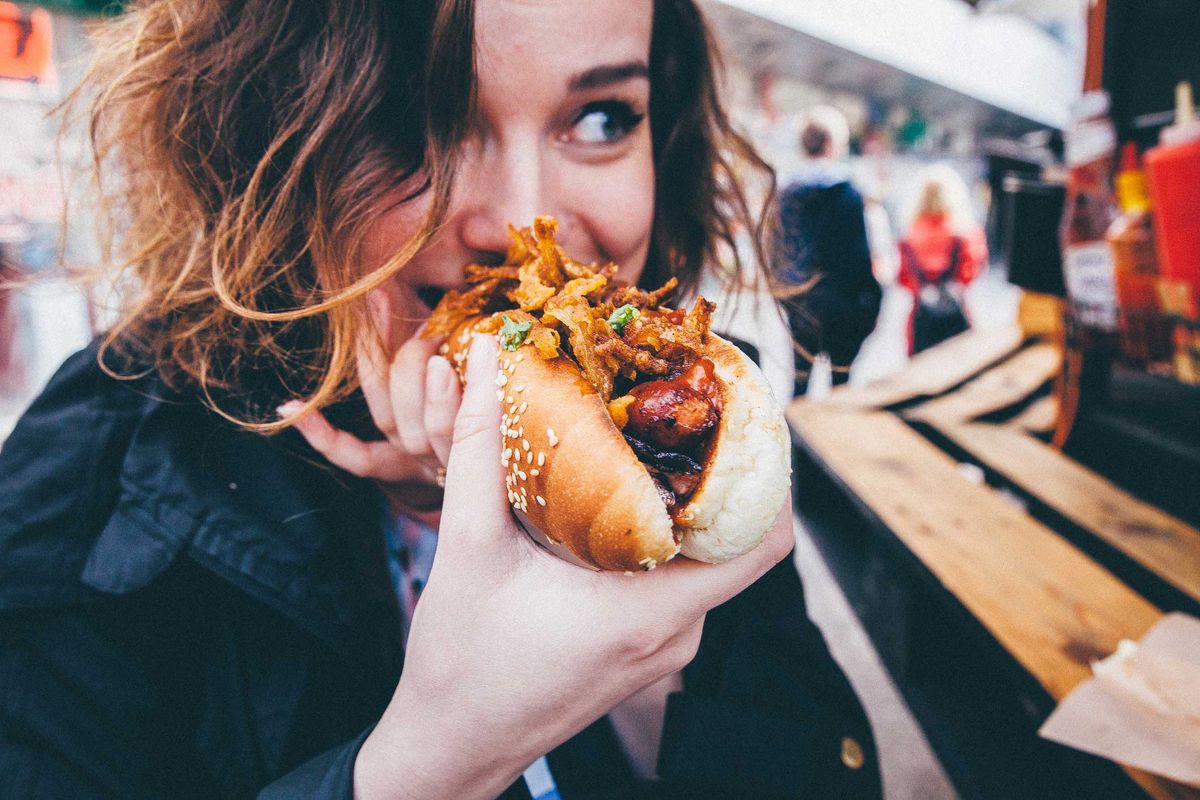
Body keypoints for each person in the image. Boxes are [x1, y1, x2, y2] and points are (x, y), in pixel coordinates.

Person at [0, 2, 881, 798]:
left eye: (603, 118)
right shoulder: (91, 480)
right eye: (412, 119)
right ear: (261, 136)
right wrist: (433, 763)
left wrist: (628, 612)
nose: (519, 220)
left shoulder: (689, 430)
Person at [773, 106, 881, 396]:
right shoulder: (847, 193)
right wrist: (873, 302)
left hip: (799, 303)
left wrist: (784, 294)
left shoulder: (785, 192)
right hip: (842, 305)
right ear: (833, 144)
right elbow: (859, 257)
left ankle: (794, 440)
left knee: (798, 383)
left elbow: (776, 249)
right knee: (841, 387)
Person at [897, 165, 988, 355]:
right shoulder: (966, 234)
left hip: (920, 321)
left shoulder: (908, 236)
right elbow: (970, 275)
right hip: (956, 318)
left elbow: (903, 278)